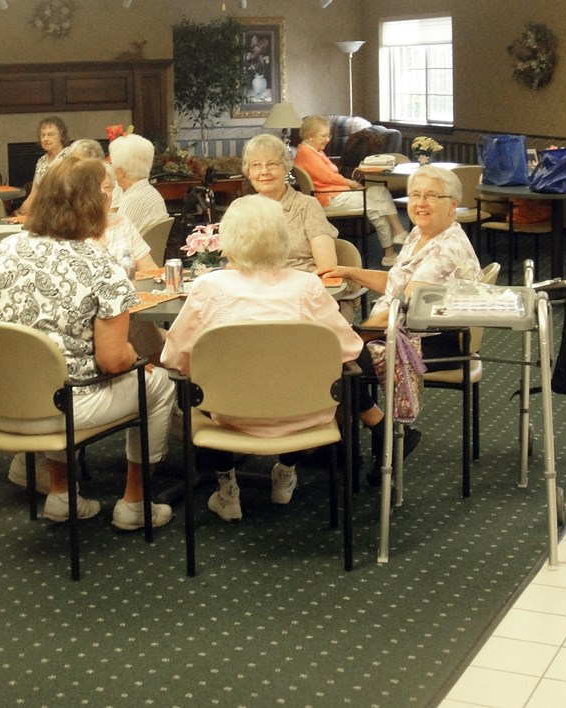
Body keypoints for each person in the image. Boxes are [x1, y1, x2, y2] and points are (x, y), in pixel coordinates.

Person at [0, 156, 175, 530]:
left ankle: (61, 494)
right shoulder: (100, 265)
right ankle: (134, 503)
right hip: (60, 409)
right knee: (158, 386)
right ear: (95, 205)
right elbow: (114, 361)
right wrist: (138, 359)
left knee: (54, 373)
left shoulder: (3, 251)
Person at [161, 195, 364, 522]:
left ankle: (227, 488)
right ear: (283, 238)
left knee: (192, 389)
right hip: (304, 412)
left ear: (227, 239)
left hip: (229, 415)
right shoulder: (308, 287)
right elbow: (349, 350)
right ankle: (286, 470)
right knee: (304, 379)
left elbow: (175, 358)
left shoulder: (207, 287)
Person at [317, 165, 481, 483]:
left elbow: (401, 306)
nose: (421, 203)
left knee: (333, 356)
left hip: (434, 340)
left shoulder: (446, 249)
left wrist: (356, 334)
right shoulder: (422, 234)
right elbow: (396, 283)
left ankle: (372, 431)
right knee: (334, 349)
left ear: (453, 203)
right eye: (416, 195)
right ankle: (368, 431)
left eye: (432, 196)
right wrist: (348, 271)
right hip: (407, 328)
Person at [293, 115, 409, 267]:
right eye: (324, 136)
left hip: (335, 195)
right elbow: (328, 176)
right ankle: (398, 232)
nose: (328, 139)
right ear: (310, 136)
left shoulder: (313, 151)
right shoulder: (306, 154)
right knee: (379, 194)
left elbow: (329, 176)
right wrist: (352, 184)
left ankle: (389, 254)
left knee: (376, 208)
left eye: (329, 135)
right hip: (329, 200)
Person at [243, 133, 337, 272]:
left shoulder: (307, 206)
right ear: (249, 172)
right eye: (256, 165)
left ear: (286, 168)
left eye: (272, 164)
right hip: (255, 288)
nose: (264, 171)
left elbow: (327, 267)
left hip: (300, 284)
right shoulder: (243, 210)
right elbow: (234, 263)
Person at [108, 133, 169, 234]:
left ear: (121, 172)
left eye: (112, 164)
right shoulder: (151, 193)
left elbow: (116, 239)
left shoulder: (133, 199)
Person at [15, 116, 72, 217]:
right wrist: (19, 212)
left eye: (50, 135)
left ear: (61, 135)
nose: (46, 139)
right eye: (43, 135)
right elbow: (34, 193)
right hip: (43, 212)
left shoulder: (70, 157)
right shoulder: (41, 161)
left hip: (65, 212)